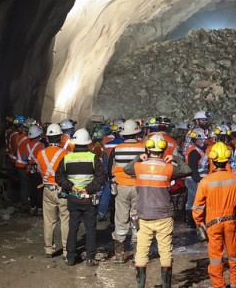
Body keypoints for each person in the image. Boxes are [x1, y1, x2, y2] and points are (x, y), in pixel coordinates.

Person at [123, 133, 191, 288]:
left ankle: (141, 285)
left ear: (148, 149)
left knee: (141, 251)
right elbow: (187, 170)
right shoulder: (168, 168)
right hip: (164, 215)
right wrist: (176, 159)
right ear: (164, 150)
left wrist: (139, 158)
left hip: (144, 215)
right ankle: (166, 285)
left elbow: (127, 169)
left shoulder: (139, 167)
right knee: (166, 251)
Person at [193, 141, 236, 288]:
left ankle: (219, 285)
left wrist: (199, 222)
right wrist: (233, 213)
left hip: (212, 224)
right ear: (227, 159)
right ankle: (235, 282)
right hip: (231, 222)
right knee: (234, 254)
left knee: (216, 258)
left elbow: (197, 207)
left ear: (212, 159)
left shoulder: (206, 181)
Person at [55, 128, 106, 266]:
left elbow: (58, 177)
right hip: (88, 199)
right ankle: (90, 258)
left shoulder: (66, 158)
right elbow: (102, 177)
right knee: (90, 228)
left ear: (74, 143)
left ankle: (70, 257)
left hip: (73, 198)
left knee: (73, 227)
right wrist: (88, 189)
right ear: (88, 143)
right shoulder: (93, 158)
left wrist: (70, 186)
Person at [109, 119, 146, 263]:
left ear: (123, 134)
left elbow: (110, 168)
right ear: (137, 133)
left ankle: (119, 253)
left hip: (121, 187)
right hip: (138, 187)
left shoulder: (116, 149)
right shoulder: (143, 148)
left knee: (121, 218)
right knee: (137, 217)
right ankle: (138, 253)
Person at [36, 123, 69, 259]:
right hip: (62, 190)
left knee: (49, 220)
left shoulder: (40, 154)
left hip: (47, 189)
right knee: (65, 219)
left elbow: (40, 170)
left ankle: (49, 249)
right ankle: (67, 250)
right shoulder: (66, 153)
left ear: (48, 138)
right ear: (60, 137)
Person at [185, 127, 209, 228]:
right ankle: (190, 220)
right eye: (202, 139)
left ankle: (193, 220)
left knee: (194, 200)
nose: (203, 141)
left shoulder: (196, 150)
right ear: (196, 139)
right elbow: (193, 170)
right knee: (193, 201)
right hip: (193, 180)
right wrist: (199, 181)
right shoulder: (194, 152)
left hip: (195, 180)